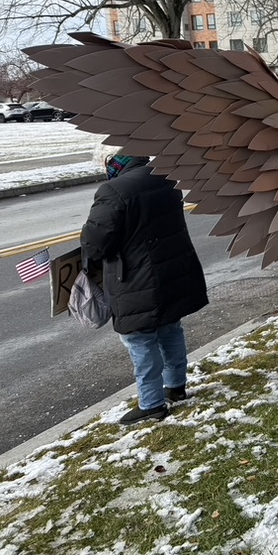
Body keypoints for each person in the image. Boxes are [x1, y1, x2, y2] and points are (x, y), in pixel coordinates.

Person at [81, 150, 208, 426]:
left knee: (140, 339)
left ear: (113, 164)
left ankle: (151, 404)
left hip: (137, 279)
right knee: (170, 328)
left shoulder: (113, 191)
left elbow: (96, 243)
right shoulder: (165, 178)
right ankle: (175, 386)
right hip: (171, 270)